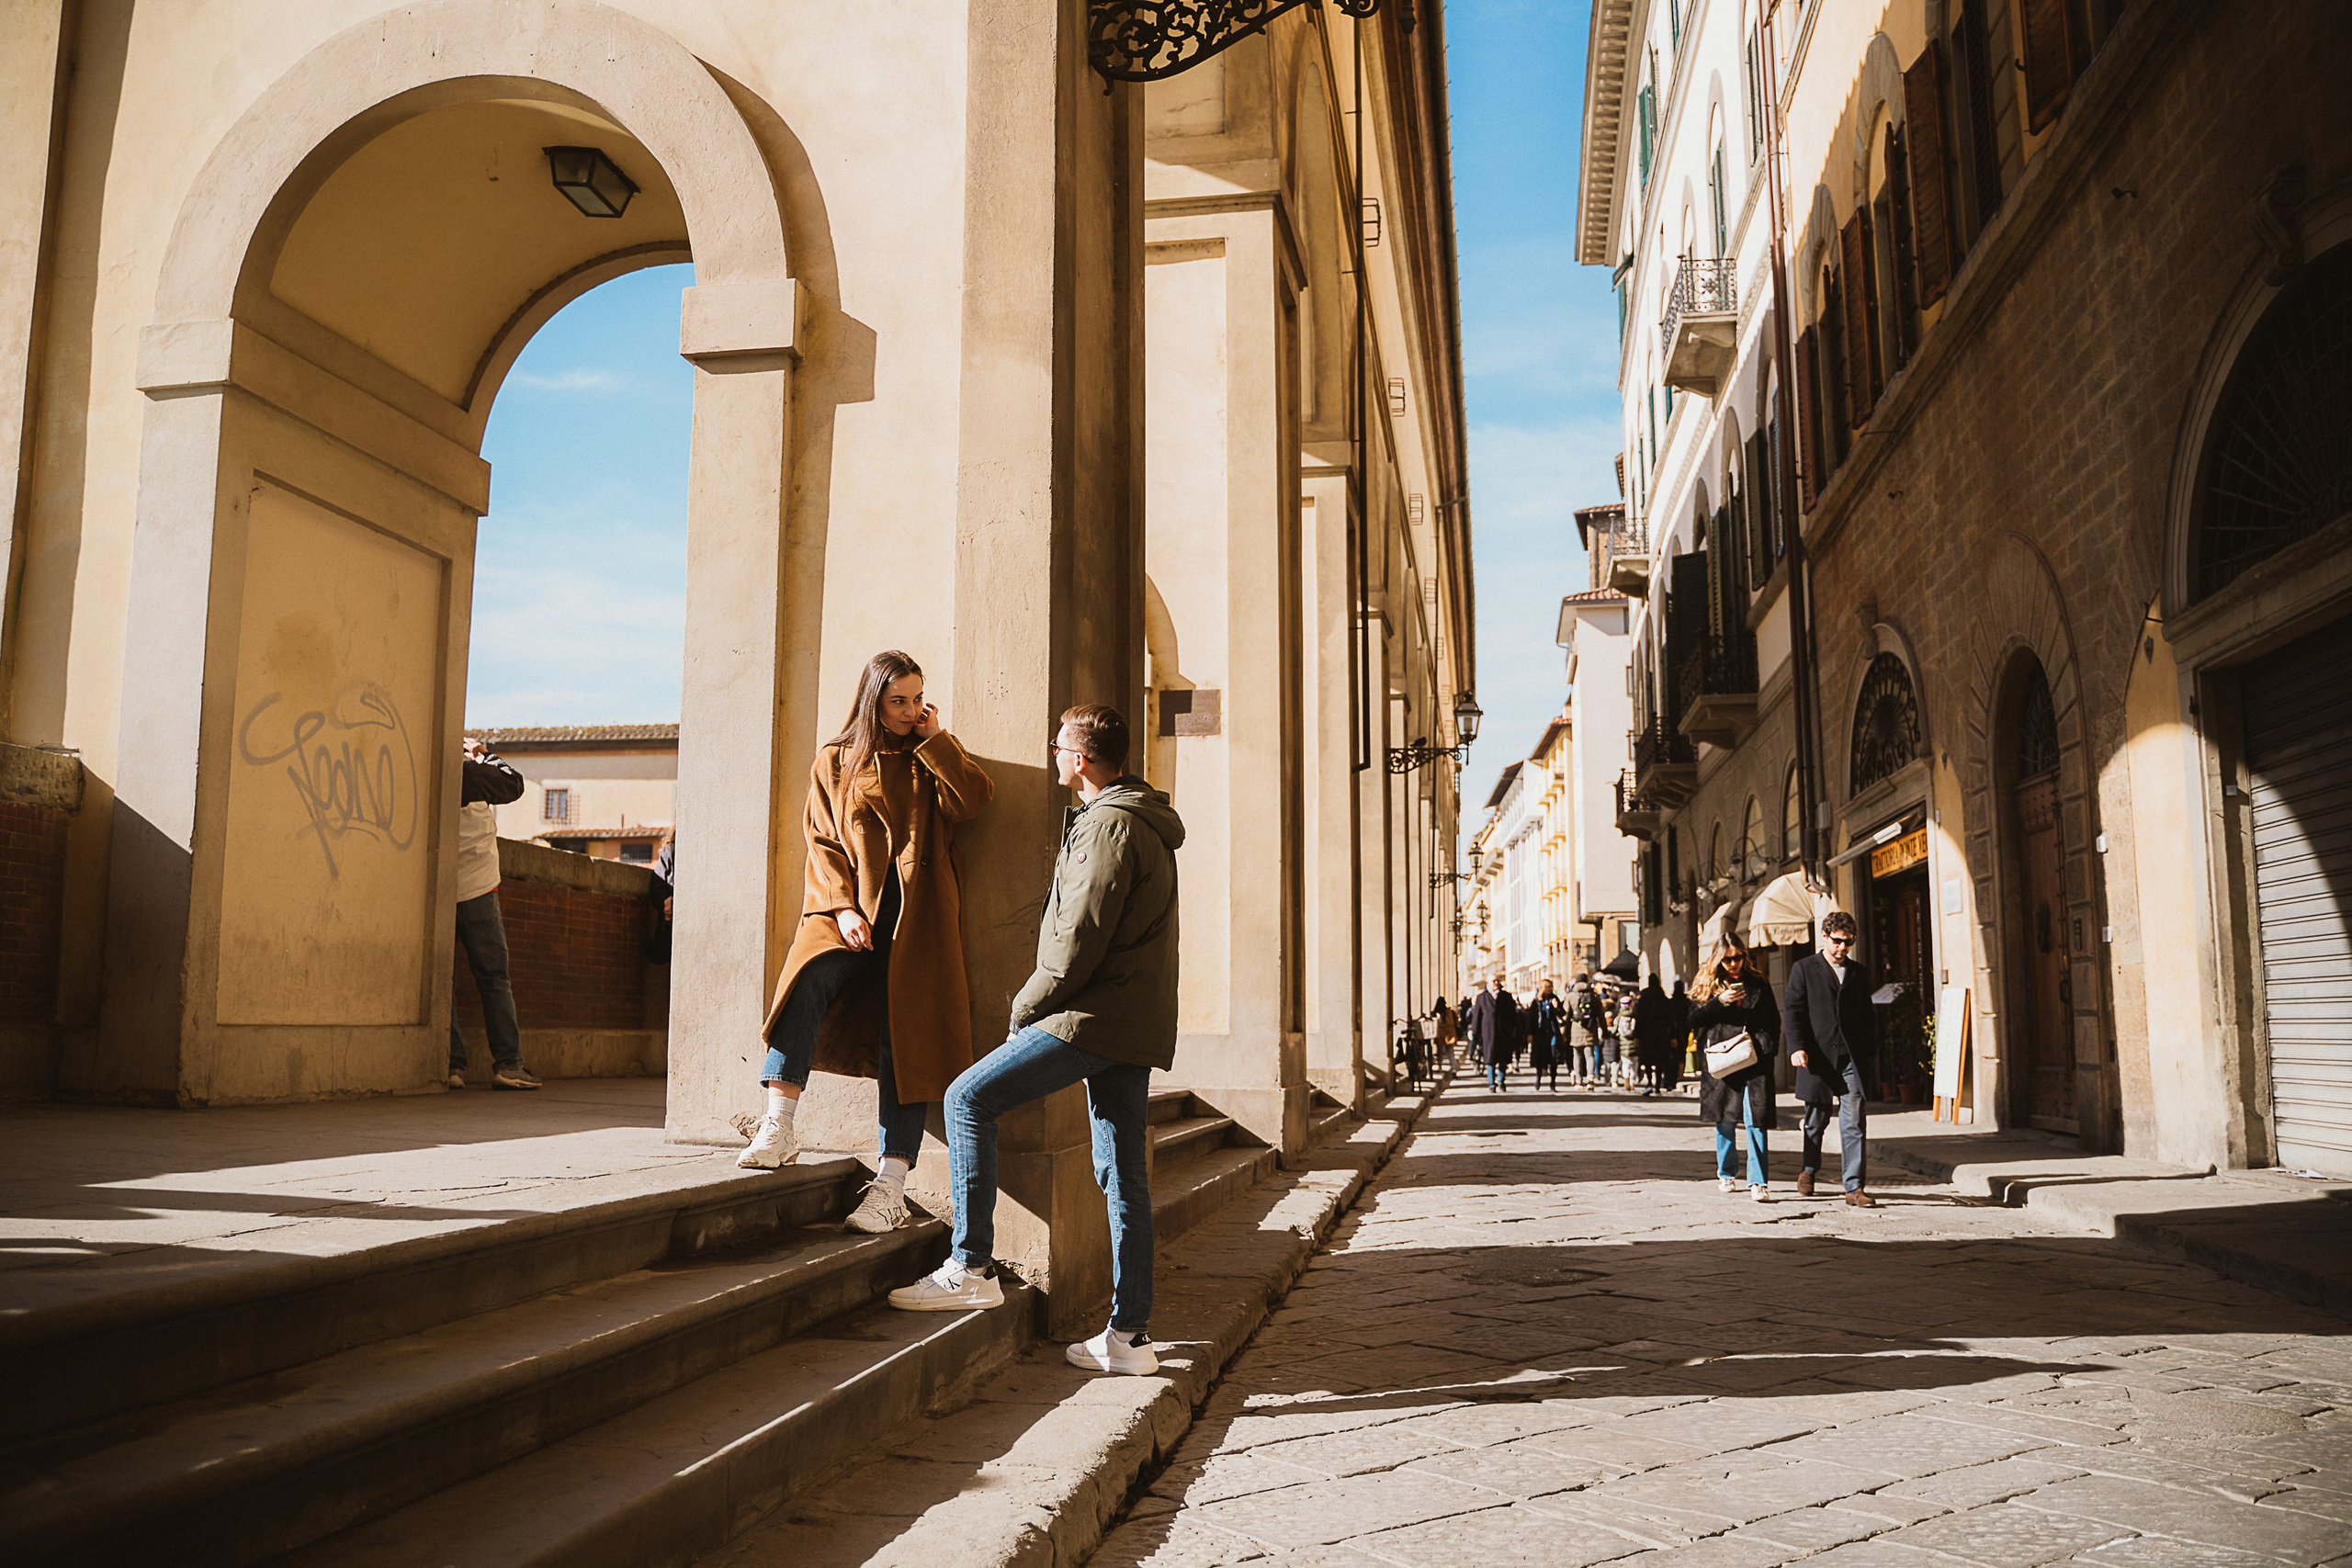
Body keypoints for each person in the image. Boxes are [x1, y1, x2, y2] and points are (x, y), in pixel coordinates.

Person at [887, 704, 1182, 1376]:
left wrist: (1026, 1003)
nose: (1052, 755)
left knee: (967, 1097)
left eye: (1058, 746)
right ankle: (1130, 1337)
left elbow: (1080, 935)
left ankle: (970, 1263)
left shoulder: (1108, 825)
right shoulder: (1140, 821)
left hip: (1091, 1018)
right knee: (1123, 1174)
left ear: (1080, 759)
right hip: (1128, 1022)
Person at [737, 651, 996, 1241]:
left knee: (903, 1043)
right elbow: (822, 841)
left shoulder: (928, 756)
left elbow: (975, 801)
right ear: (873, 701)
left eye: (916, 699)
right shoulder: (835, 760)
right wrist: (844, 905)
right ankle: (778, 1123)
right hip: (850, 909)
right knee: (805, 978)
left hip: (918, 921)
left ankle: (891, 1185)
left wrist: (937, 741)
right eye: (896, 701)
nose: (908, 711)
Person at [448, 737, 539, 1091]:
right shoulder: (469, 772)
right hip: (478, 888)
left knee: (445, 983)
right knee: (494, 979)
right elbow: (513, 783)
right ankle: (509, 1064)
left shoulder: (429, 773)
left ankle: (452, 1065)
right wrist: (483, 754)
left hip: (436, 890)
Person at [1784, 910, 1880, 1206]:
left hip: (1850, 1059)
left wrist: (1870, 1048)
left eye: (1848, 942)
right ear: (1824, 937)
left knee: (1854, 1122)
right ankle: (1809, 1169)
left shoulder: (1858, 972)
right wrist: (1796, 1047)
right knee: (1816, 1120)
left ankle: (1854, 1188)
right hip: (1817, 1059)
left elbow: (1867, 1014)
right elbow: (1794, 1011)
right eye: (1837, 941)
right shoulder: (1804, 968)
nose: (1842, 948)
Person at [1692, 935, 1779, 1201]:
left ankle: (1758, 1182)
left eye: (1737, 958)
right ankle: (1727, 1173)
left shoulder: (1759, 983)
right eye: (1727, 959)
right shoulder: (1707, 985)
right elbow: (1693, 1019)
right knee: (1726, 1120)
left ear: (1744, 956)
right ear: (1718, 959)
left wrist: (1767, 1046)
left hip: (1754, 1058)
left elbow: (1773, 1019)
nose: (1733, 964)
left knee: (1757, 1121)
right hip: (1723, 1059)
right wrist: (1720, 1001)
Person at [1632, 973, 1671, 1097]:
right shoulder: (1663, 998)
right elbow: (1670, 1018)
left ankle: (1649, 1083)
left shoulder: (1643, 999)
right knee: (1659, 1061)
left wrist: (1636, 1035)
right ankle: (1658, 1086)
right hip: (1661, 1033)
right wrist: (1673, 1035)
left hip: (1646, 1034)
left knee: (1648, 1061)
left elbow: (1639, 1018)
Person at [1467, 977, 1506, 1091]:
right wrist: (1475, 1032)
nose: (1497, 983)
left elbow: (1512, 1015)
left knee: (1503, 1059)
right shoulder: (1482, 998)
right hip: (1488, 1033)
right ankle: (1491, 1083)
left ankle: (1501, 1080)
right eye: (1494, 981)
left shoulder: (1506, 997)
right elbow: (1477, 1016)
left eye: (1498, 980)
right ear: (1487, 983)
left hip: (1503, 1032)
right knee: (1490, 1059)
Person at [1528, 979, 1566, 1090]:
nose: (1550, 989)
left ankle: (1553, 1083)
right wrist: (1530, 1033)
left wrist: (1557, 1007)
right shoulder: (1536, 1001)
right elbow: (1531, 1018)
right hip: (1540, 1033)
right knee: (1540, 1056)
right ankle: (1538, 1078)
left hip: (1553, 1032)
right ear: (1542, 988)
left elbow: (1562, 1014)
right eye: (1548, 986)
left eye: (1551, 986)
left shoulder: (1554, 999)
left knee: (1553, 1057)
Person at [1567, 975, 1600, 1088]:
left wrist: (1564, 1032)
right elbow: (1600, 1015)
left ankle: (1579, 1080)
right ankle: (1590, 1078)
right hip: (1591, 1028)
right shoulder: (1594, 996)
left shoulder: (1571, 996)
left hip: (1576, 1028)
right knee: (1590, 1054)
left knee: (1577, 1055)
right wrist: (1604, 1031)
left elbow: (1566, 1015)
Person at [1667, 978, 1691, 1093]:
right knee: (1683, 1051)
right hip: (1685, 1028)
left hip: (1674, 1030)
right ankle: (1680, 1074)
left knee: (1673, 1052)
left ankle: (1673, 1075)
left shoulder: (1671, 1002)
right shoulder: (1687, 1002)